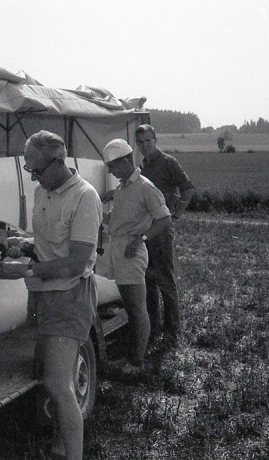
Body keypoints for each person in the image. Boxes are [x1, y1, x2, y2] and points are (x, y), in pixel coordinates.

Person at [0, 130, 102, 460]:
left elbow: (77, 260)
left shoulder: (85, 196)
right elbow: (48, 243)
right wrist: (24, 244)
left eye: (37, 170)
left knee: (58, 384)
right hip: (44, 293)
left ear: (59, 162)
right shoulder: (45, 190)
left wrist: (26, 270)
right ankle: (60, 445)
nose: (34, 178)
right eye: (29, 171)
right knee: (55, 379)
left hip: (69, 295)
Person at [100, 138, 171, 370]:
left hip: (132, 252)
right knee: (130, 307)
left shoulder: (145, 187)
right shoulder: (123, 188)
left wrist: (141, 238)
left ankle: (137, 360)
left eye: (113, 167)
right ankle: (132, 354)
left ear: (124, 162)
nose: (111, 171)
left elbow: (164, 220)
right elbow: (123, 219)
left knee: (137, 308)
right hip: (119, 249)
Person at [135, 124, 195, 348]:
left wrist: (176, 214)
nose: (144, 146)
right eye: (140, 142)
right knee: (148, 280)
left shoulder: (168, 162)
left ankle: (173, 331)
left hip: (162, 230)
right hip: (145, 231)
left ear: (156, 140)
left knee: (165, 280)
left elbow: (187, 188)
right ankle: (154, 329)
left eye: (148, 141)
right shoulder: (141, 165)